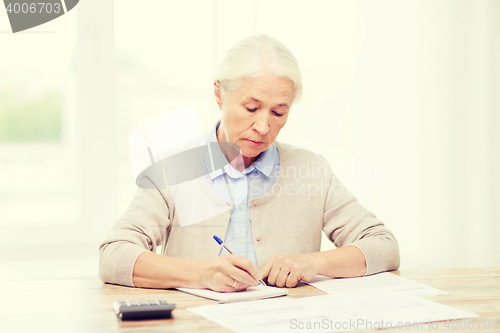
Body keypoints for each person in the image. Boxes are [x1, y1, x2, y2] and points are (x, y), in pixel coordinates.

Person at [98, 34, 400, 292]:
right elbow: (114, 256)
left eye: (279, 112)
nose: (263, 126)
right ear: (219, 95)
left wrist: (311, 262)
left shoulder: (311, 171)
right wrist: (200, 274)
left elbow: (384, 246)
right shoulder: (172, 168)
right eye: (251, 107)